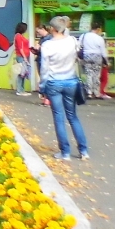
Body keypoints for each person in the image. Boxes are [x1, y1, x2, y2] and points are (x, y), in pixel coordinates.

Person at [39, 16, 90, 161]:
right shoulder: (73, 41)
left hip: (54, 83)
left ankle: (65, 152)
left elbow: (44, 69)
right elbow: (79, 58)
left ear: (52, 28)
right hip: (71, 82)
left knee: (59, 118)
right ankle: (83, 150)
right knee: (73, 116)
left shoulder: (47, 45)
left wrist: (42, 87)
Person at [79, 23, 108, 99]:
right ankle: (96, 93)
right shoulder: (99, 38)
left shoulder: (83, 36)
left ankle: (89, 93)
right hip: (97, 57)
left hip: (87, 56)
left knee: (89, 74)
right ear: (98, 29)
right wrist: (107, 61)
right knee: (96, 75)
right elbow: (103, 52)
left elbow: (79, 46)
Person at [12, 22, 32, 96]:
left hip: (24, 56)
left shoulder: (19, 36)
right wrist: (24, 57)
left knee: (23, 73)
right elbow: (20, 48)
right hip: (21, 56)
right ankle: (19, 90)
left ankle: (21, 89)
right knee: (21, 73)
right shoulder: (18, 36)